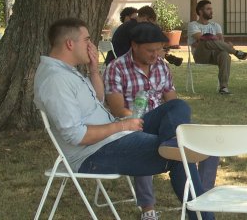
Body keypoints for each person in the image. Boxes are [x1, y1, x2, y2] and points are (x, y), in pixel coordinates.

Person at [33, 18, 213, 220]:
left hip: (113, 139)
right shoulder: (55, 79)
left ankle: (173, 143)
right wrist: (120, 126)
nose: (91, 45)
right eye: (87, 40)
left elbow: (98, 99)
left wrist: (93, 70)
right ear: (69, 44)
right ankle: (204, 216)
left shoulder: (66, 72)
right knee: (181, 153)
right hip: (93, 154)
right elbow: (76, 135)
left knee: (178, 107)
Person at [104, 22, 218, 219]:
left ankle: (202, 194)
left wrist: (176, 125)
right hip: (133, 121)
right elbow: (117, 109)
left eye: (159, 49)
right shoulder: (116, 68)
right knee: (147, 138)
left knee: (209, 140)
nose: (155, 54)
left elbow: (171, 102)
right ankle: (149, 208)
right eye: (150, 50)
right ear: (134, 45)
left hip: (165, 124)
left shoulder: (161, 67)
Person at [187, 0, 247, 95]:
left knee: (224, 54)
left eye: (211, 9)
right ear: (200, 11)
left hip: (215, 55)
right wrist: (214, 40)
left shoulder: (216, 26)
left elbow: (221, 42)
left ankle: (223, 87)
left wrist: (220, 43)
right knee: (206, 40)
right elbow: (201, 40)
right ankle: (236, 52)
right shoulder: (193, 25)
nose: (211, 11)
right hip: (201, 55)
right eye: (208, 9)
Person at [106, 5, 182, 67]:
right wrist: (160, 53)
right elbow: (142, 50)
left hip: (115, 59)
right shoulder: (135, 28)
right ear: (145, 19)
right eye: (150, 24)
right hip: (121, 63)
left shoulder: (130, 25)